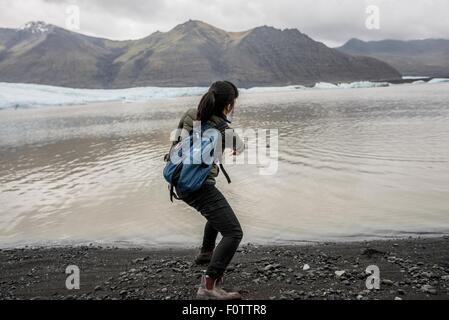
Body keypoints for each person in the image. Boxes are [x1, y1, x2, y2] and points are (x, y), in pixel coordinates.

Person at [171, 81, 245, 300]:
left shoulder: (189, 115)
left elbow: (176, 143)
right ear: (229, 106)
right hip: (199, 186)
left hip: (178, 182)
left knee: (216, 213)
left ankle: (206, 253)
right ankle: (208, 286)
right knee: (233, 232)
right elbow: (240, 146)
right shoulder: (223, 128)